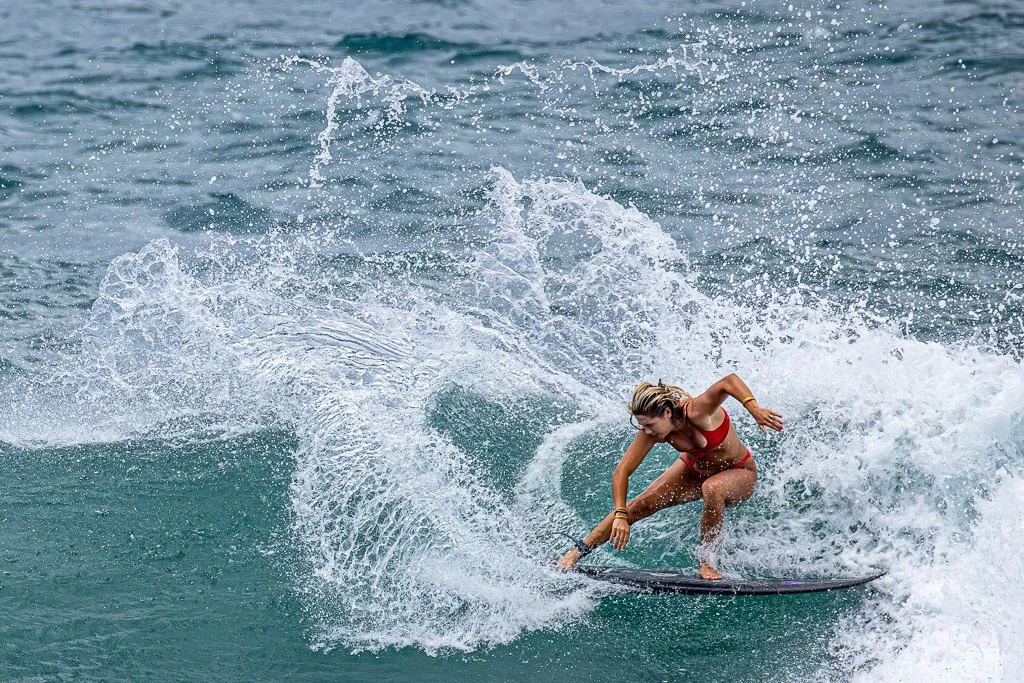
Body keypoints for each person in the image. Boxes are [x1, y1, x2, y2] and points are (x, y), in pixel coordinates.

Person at [556, 375, 783, 579]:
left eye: (649, 425)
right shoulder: (653, 431)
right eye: (643, 426)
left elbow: (728, 382)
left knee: (713, 487)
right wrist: (620, 515)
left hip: (739, 472)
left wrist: (754, 408)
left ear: (666, 412)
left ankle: (707, 562)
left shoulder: (697, 411)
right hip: (694, 470)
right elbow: (621, 472)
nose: (647, 432)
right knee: (640, 504)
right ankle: (574, 554)